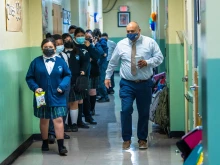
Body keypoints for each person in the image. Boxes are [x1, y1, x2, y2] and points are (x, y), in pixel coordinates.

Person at [105, 22, 164, 150]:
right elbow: (113, 62)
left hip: (144, 83)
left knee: (143, 112)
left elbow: (159, 58)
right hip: (127, 83)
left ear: (139, 30)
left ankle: (142, 139)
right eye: (128, 31)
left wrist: (148, 62)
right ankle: (126, 139)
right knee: (126, 110)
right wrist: (107, 76)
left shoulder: (150, 43)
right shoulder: (121, 44)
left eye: (133, 31)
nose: (130, 34)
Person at [26, 38, 71, 155]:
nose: (48, 49)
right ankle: (45, 142)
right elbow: (29, 77)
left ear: (55, 48)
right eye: (46, 47)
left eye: (51, 47)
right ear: (42, 48)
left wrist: (62, 85)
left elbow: (67, 75)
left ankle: (61, 146)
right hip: (41, 95)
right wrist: (35, 87)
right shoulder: (36, 62)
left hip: (58, 94)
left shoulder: (61, 62)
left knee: (59, 119)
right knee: (44, 119)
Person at [62, 33, 89, 132]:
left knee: (74, 102)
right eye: (65, 40)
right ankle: (65, 124)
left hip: (76, 80)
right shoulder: (60, 53)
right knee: (65, 104)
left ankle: (74, 123)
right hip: (64, 81)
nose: (67, 41)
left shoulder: (77, 51)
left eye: (69, 39)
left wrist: (83, 69)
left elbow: (85, 61)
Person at [47, 34, 70, 144]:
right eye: (57, 44)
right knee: (52, 109)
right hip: (53, 87)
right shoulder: (49, 58)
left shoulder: (64, 56)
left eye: (61, 44)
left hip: (64, 86)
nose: (60, 46)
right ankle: (51, 132)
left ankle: (61, 130)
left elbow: (67, 73)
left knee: (64, 109)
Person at [73, 27, 99, 125]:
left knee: (86, 97)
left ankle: (88, 117)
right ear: (74, 36)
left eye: (82, 36)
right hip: (76, 75)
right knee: (78, 98)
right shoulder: (73, 46)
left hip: (86, 75)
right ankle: (78, 120)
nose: (80, 37)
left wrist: (90, 47)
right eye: (78, 36)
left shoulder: (87, 45)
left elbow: (96, 56)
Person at [93, 28, 109, 103]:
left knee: (101, 81)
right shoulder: (100, 42)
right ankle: (103, 96)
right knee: (99, 81)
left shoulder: (102, 42)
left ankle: (105, 97)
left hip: (103, 63)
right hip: (100, 63)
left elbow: (101, 52)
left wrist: (96, 43)